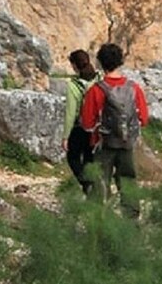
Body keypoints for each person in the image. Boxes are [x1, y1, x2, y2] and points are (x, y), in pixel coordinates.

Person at [80, 43, 149, 216]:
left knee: (99, 182)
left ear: (101, 63)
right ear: (120, 62)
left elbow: (87, 123)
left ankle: (98, 220)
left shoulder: (96, 90)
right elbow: (144, 119)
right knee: (128, 181)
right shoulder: (134, 88)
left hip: (104, 145)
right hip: (127, 144)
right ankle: (131, 221)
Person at [62, 49, 100, 194]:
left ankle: (86, 184)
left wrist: (65, 136)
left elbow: (71, 113)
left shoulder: (74, 85)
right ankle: (93, 190)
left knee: (73, 157)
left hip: (80, 127)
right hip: (97, 126)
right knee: (89, 158)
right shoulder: (98, 79)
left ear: (74, 65)